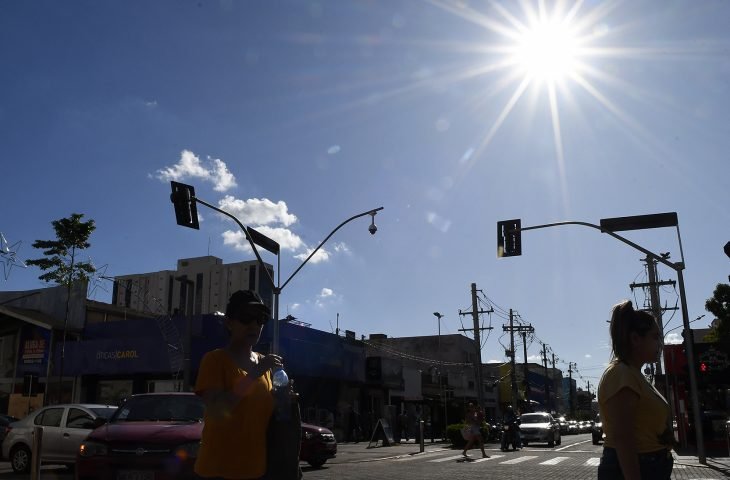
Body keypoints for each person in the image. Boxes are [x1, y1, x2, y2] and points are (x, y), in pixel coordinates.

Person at [194, 290, 283, 480]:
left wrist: (284, 398)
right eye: (246, 317)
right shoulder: (215, 360)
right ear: (229, 323)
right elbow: (218, 411)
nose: (254, 325)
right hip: (219, 471)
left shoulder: (263, 363)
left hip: (256, 470)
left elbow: (261, 414)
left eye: (260, 319)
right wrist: (254, 374)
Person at [597, 300, 674, 480]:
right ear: (635, 339)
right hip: (637, 468)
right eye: (655, 337)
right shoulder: (621, 374)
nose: (660, 344)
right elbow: (623, 437)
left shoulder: (635, 375)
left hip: (651, 465)